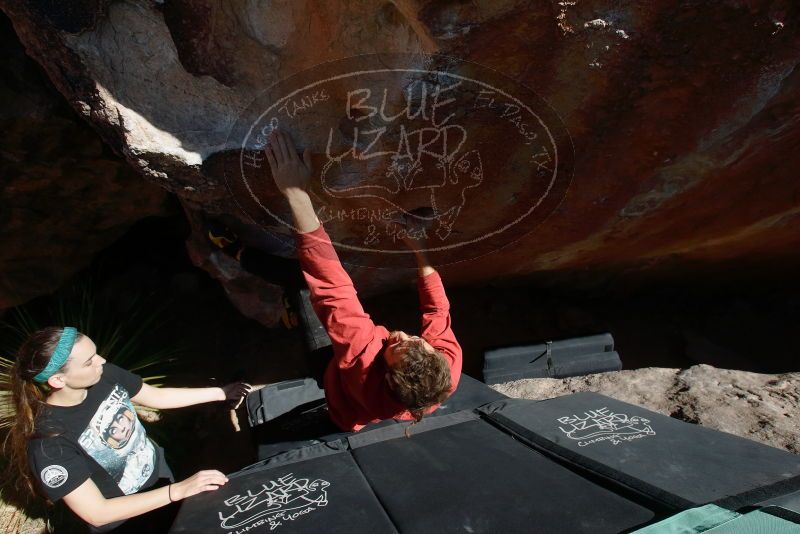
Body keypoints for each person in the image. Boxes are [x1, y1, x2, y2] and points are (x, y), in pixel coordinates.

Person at [263, 128, 463, 432]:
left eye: (397, 346)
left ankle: (233, 253)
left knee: (302, 284)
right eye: (417, 341)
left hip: (341, 388)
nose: (402, 334)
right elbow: (437, 310)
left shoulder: (362, 364)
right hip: (366, 406)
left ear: (384, 374)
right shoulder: (445, 368)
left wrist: (296, 193)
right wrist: (418, 246)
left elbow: (333, 291)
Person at [5, 326, 251, 532]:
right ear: (58, 380)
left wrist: (222, 392)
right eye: (89, 361)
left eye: (96, 354)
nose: (101, 361)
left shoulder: (103, 376)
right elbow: (97, 512)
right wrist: (178, 491)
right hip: (124, 522)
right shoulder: (49, 441)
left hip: (160, 479)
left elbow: (157, 397)